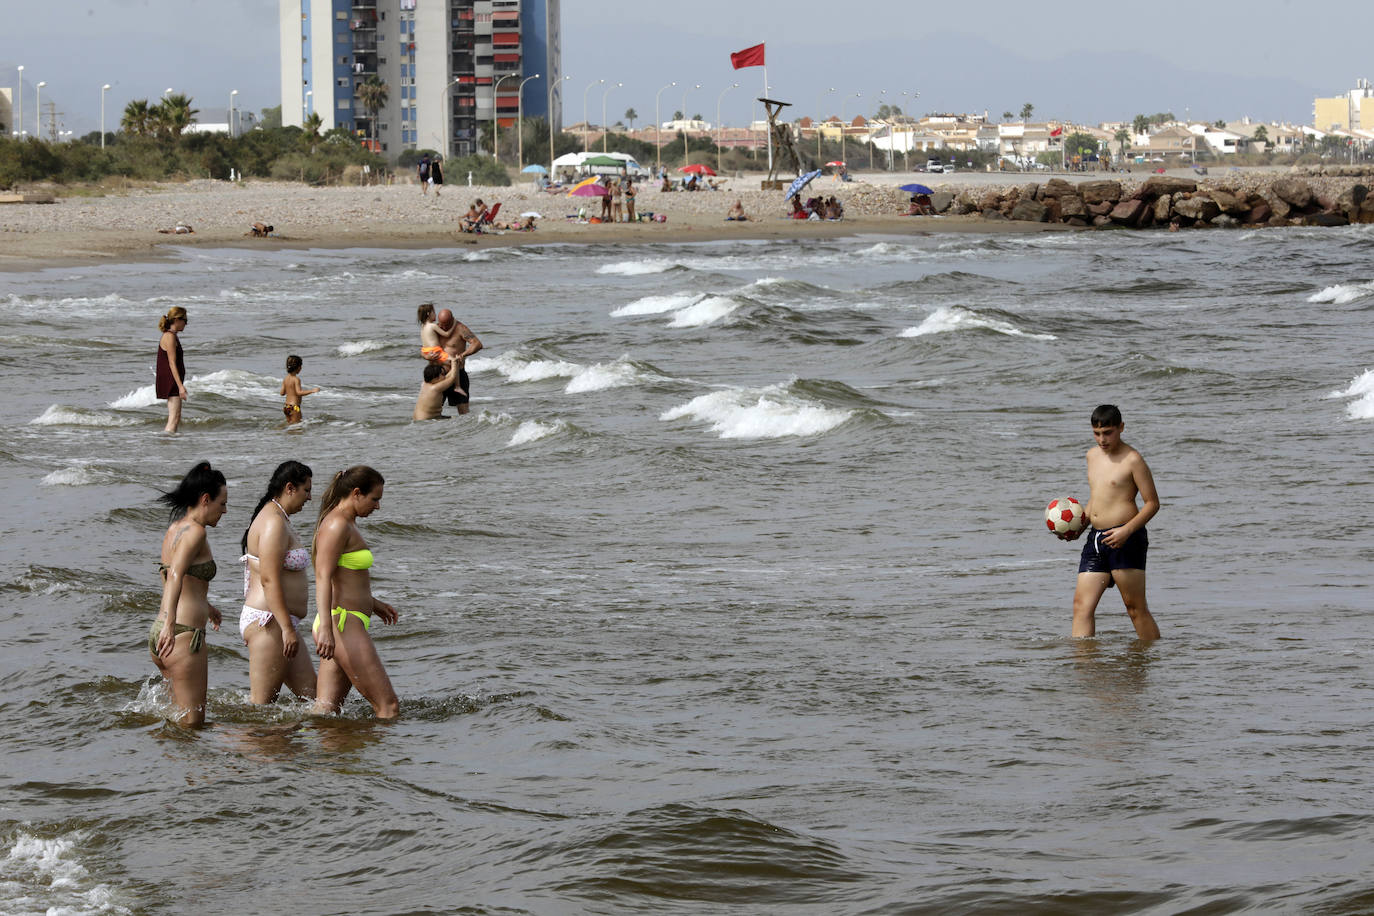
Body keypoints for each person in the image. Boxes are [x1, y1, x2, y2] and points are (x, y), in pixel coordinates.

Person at [1060, 404, 1162, 640]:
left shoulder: (1133, 460)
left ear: (1121, 428)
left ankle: (1153, 659)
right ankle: (1084, 667)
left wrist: (1126, 531)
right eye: (1097, 433)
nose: (1102, 439)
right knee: (1081, 606)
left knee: (1135, 609)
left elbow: (1152, 503)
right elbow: (1097, 498)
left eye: (1108, 432)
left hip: (1126, 539)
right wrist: (1081, 525)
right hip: (1095, 538)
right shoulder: (1091, 456)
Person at [311, 466, 399, 718]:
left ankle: (316, 756)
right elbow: (322, 577)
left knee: (326, 713)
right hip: (340, 623)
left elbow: (345, 578)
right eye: (375, 499)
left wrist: (373, 603)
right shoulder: (336, 525)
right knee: (388, 707)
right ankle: (387, 757)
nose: (378, 506)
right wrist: (326, 628)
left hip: (344, 621)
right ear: (357, 493)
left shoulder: (346, 523)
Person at [151, 461, 227, 727]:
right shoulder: (196, 532)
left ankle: (166, 769)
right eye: (222, 504)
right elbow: (175, 575)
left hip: (161, 633)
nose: (225, 511)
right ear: (205, 500)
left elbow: (172, 576)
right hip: (181, 635)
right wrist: (172, 625)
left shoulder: (175, 528)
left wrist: (207, 607)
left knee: (176, 723)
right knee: (192, 726)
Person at [239, 461, 317, 704]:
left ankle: (291, 741)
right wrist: (287, 629)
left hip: (280, 623)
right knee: (260, 711)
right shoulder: (273, 522)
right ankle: (218, 740)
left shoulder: (278, 517)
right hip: (270, 623)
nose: (310, 497)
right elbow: (269, 579)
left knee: (316, 700)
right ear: (290, 488)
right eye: (306, 490)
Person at [429, 308, 482, 415]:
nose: (443, 327)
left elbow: (477, 344)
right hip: (439, 375)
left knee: (463, 413)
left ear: (452, 320)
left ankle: (465, 431)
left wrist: (463, 354)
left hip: (457, 374)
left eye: (446, 325)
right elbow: (424, 349)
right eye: (441, 324)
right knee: (432, 413)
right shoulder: (435, 329)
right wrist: (427, 356)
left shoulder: (460, 328)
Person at [155, 306, 189, 433]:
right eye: (185, 320)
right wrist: (180, 386)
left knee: (175, 416)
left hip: (172, 379)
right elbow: (172, 363)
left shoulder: (172, 335)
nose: (186, 323)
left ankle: (169, 442)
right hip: (171, 380)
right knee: (174, 417)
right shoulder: (170, 336)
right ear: (177, 320)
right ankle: (167, 443)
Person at [280, 354, 320, 423]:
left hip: (286, 407)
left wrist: (290, 390)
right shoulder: (296, 379)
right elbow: (299, 393)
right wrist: (312, 391)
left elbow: (282, 393)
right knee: (297, 427)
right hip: (295, 407)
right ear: (298, 367)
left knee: (290, 426)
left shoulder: (285, 379)